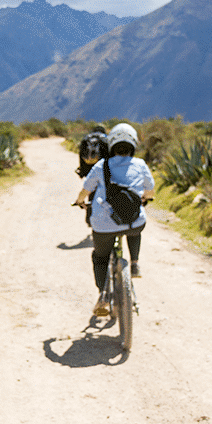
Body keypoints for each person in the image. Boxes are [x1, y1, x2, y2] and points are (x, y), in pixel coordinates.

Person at [73, 122, 155, 315]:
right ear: (133, 144)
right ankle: (134, 264)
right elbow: (149, 190)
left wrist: (79, 201)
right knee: (135, 228)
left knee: (100, 257)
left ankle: (103, 295)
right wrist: (145, 198)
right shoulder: (140, 164)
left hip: (103, 226)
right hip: (133, 222)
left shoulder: (102, 166)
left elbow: (86, 189)